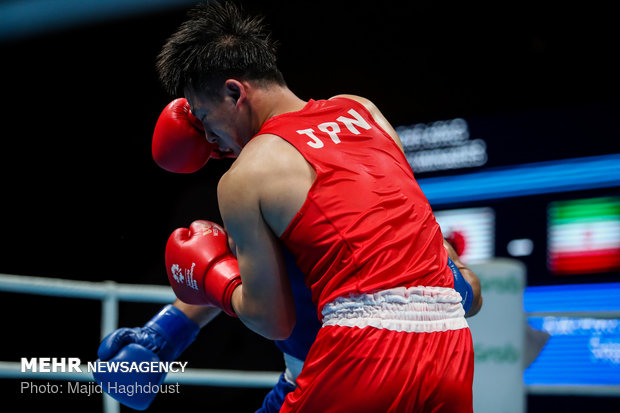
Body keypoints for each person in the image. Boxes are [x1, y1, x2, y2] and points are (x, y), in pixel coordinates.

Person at [95, 1, 482, 412]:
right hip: (450, 346)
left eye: (207, 120)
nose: (211, 144)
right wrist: (164, 333)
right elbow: (410, 226)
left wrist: (216, 283)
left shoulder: (248, 173)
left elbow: (269, 317)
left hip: (361, 353)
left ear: (234, 92)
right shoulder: (362, 110)